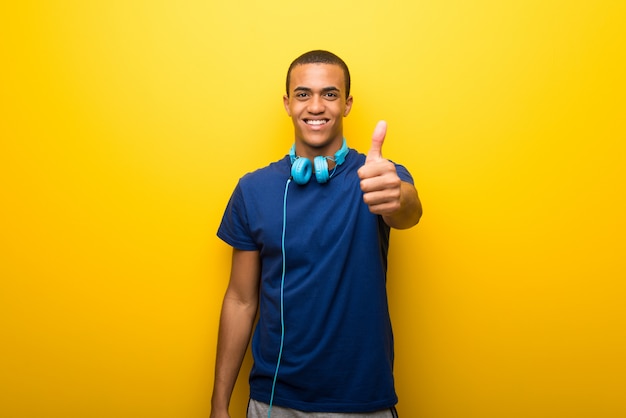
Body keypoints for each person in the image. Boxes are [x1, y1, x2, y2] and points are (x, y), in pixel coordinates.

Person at [210, 50, 422, 418]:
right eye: (303, 94)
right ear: (287, 103)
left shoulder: (378, 177)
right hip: (273, 400)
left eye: (330, 94)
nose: (316, 106)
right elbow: (240, 301)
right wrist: (218, 405)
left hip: (362, 399)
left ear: (347, 104)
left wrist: (397, 195)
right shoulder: (253, 189)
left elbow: (408, 212)